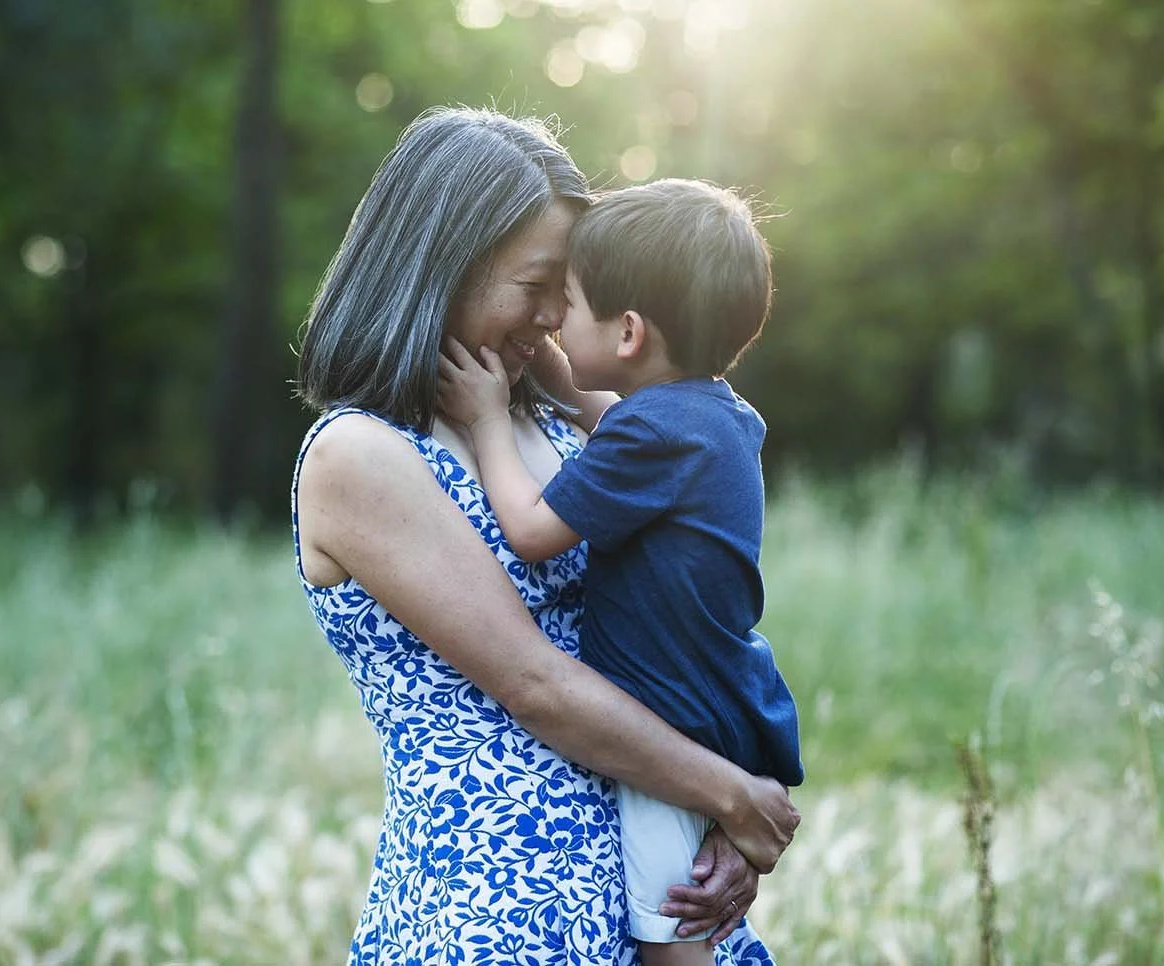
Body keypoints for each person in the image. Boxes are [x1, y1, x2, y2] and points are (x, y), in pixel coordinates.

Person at [293, 108, 799, 965]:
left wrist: (721, 819)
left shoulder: (563, 419)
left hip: (654, 876)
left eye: (570, 291)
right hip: (505, 903)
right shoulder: (361, 455)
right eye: (538, 286)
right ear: (445, 266)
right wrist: (731, 794)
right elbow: (535, 683)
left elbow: (687, 596)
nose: (558, 315)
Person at [435, 178, 804, 966]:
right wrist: (557, 373)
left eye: (567, 304)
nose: (552, 322)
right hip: (724, 697)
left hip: (672, 718)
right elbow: (608, 416)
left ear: (629, 332)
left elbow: (533, 532)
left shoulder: (651, 436)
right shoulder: (713, 414)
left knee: (669, 923)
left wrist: (489, 419)